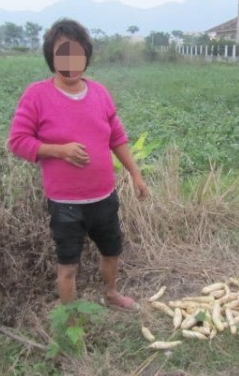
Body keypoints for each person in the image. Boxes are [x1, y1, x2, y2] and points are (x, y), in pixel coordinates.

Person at [8, 18, 149, 310]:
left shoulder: (99, 93)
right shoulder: (37, 95)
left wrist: (135, 174)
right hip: (65, 204)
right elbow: (18, 141)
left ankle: (111, 294)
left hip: (104, 197)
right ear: (52, 57)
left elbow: (117, 137)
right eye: (63, 52)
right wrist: (59, 151)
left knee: (112, 251)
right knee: (68, 265)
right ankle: (71, 319)